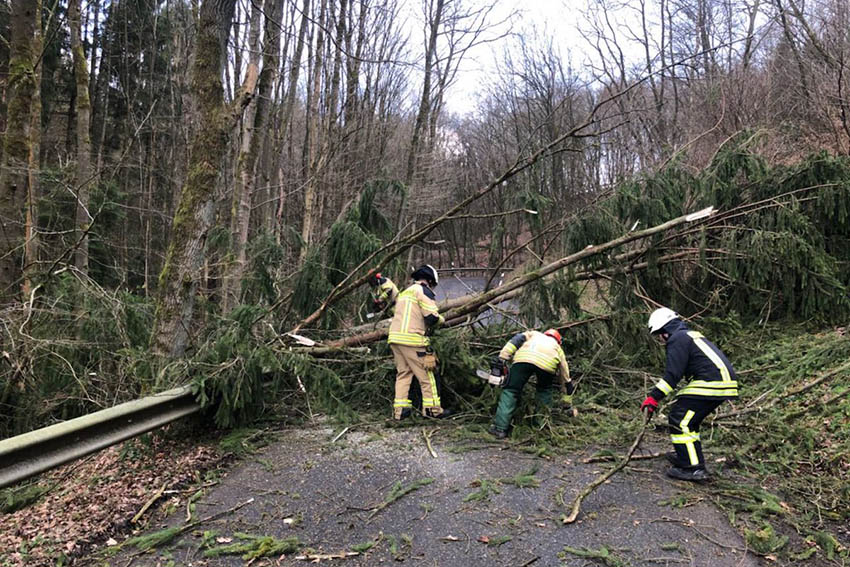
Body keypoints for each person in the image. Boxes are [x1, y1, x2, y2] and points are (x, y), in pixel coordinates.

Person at [642, 307, 739, 482]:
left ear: (665, 330)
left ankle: (693, 468)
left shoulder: (677, 339)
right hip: (720, 381)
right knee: (689, 420)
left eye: (659, 335)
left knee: (679, 419)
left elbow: (672, 375)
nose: (660, 339)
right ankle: (687, 457)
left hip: (711, 382)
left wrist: (653, 397)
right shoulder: (688, 335)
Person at [489, 328, 574, 439]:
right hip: (547, 366)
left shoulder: (533, 334)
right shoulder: (558, 349)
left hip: (523, 359)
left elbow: (515, 340)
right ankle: (540, 427)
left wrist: (502, 358)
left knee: (511, 390)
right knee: (544, 391)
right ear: (558, 341)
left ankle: (500, 429)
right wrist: (567, 401)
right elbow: (565, 377)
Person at [387, 264, 448, 419]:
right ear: (430, 280)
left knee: (403, 374)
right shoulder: (424, 291)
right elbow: (431, 317)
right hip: (413, 339)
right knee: (428, 376)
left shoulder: (405, 292)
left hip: (395, 339)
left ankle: (400, 412)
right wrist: (442, 319)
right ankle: (432, 410)